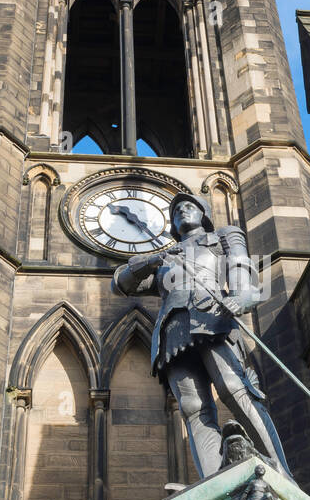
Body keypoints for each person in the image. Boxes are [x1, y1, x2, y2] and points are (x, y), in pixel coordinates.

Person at [111, 192, 291, 480]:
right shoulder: (166, 257)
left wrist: (241, 299)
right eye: (177, 210)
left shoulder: (224, 237)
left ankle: (280, 472)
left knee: (234, 388)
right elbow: (120, 284)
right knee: (193, 407)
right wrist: (152, 260)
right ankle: (215, 480)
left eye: (189, 206)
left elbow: (244, 273)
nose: (182, 210)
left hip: (213, 318)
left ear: (203, 213)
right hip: (173, 331)